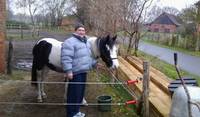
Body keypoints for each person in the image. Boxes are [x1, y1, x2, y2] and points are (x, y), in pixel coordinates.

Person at [61, 23, 96, 117]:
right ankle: (71, 114)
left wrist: (94, 63)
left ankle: (76, 112)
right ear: (75, 31)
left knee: (79, 94)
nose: (81, 32)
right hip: (75, 73)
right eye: (79, 30)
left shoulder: (86, 42)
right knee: (73, 95)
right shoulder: (70, 42)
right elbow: (66, 57)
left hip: (83, 72)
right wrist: (68, 71)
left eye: (83, 30)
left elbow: (88, 56)